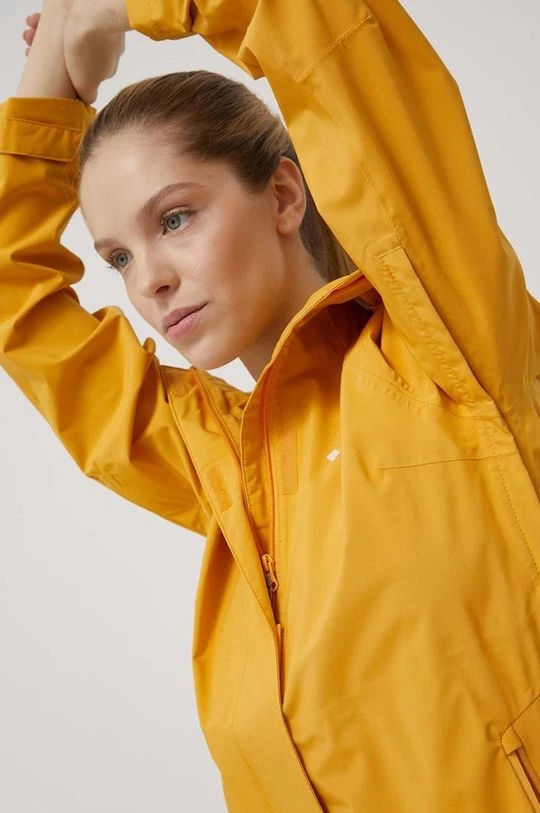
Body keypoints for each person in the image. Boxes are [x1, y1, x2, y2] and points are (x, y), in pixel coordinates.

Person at [2, 0, 539, 810]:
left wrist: (113, 9)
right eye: (118, 257)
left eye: (174, 218)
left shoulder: (452, 351)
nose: (150, 280)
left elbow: (322, 30)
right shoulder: (224, 463)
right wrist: (53, 86)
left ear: (285, 195)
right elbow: (15, 300)